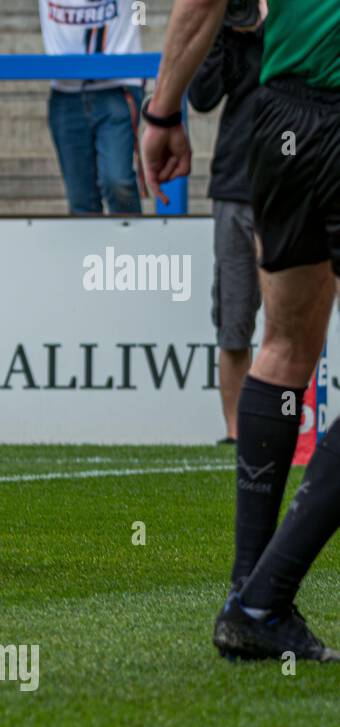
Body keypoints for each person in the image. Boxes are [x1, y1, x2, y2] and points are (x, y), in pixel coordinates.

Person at [142, 0, 340, 661]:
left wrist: (162, 111)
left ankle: (246, 596)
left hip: (280, 117)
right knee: (284, 347)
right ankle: (265, 596)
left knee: (284, 350)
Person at [188, 11, 264, 443]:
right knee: (234, 318)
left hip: (298, 181)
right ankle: (237, 433)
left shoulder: (304, 21)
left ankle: (298, 428)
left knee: (294, 324)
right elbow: (201, 95)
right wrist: (222, 28)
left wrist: (268, 27)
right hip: (236, 182)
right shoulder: (228, 22)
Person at [39, 0, 145, 215]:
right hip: (66, 91)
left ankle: (133, 246)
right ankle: (87, 249)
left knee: (118, 181)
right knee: (80, 197)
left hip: (118, 87)